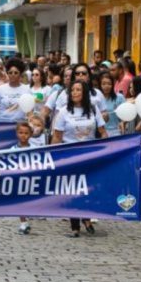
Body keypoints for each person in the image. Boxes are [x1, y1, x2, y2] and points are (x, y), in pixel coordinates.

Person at [51, 81, 108, 237]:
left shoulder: (92, 109)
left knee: (88, 188)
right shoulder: (63, 112)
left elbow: (103, 131)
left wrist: (106, 147)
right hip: (70, 154)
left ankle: (86, 216)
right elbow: (57, 136)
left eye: (79, 90)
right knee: (73, 189)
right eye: (73, 90)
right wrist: (51, 155)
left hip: (90, 154)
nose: (75, 92)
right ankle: (75, 224)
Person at [0, 58, 29, 123]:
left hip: (20, 127)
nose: (13, 75)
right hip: (2, 125)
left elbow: (30, 111)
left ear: (20, 74)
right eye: (10, 73)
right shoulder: (0, 89)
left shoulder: (27, 89)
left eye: (16, 73)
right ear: (7, 73)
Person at [11, 121, 34, 235]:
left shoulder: (36, 149)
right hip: (19, 180)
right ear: (16, 133)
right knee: (20, 201)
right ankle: (23, 222)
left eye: (26, 133)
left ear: (30, 134)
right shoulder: (12, 149)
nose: (23, 135)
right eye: (20, 132)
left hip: (32, 180)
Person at [99, 72, 125, 137]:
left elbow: (125, 115)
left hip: (117, 132)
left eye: (109, 84)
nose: (106, 86)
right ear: (100, 85)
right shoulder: (97, 99)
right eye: (103, 84)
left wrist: (123, 122)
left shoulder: (119, 97)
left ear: (113, 85)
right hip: (101, 133)